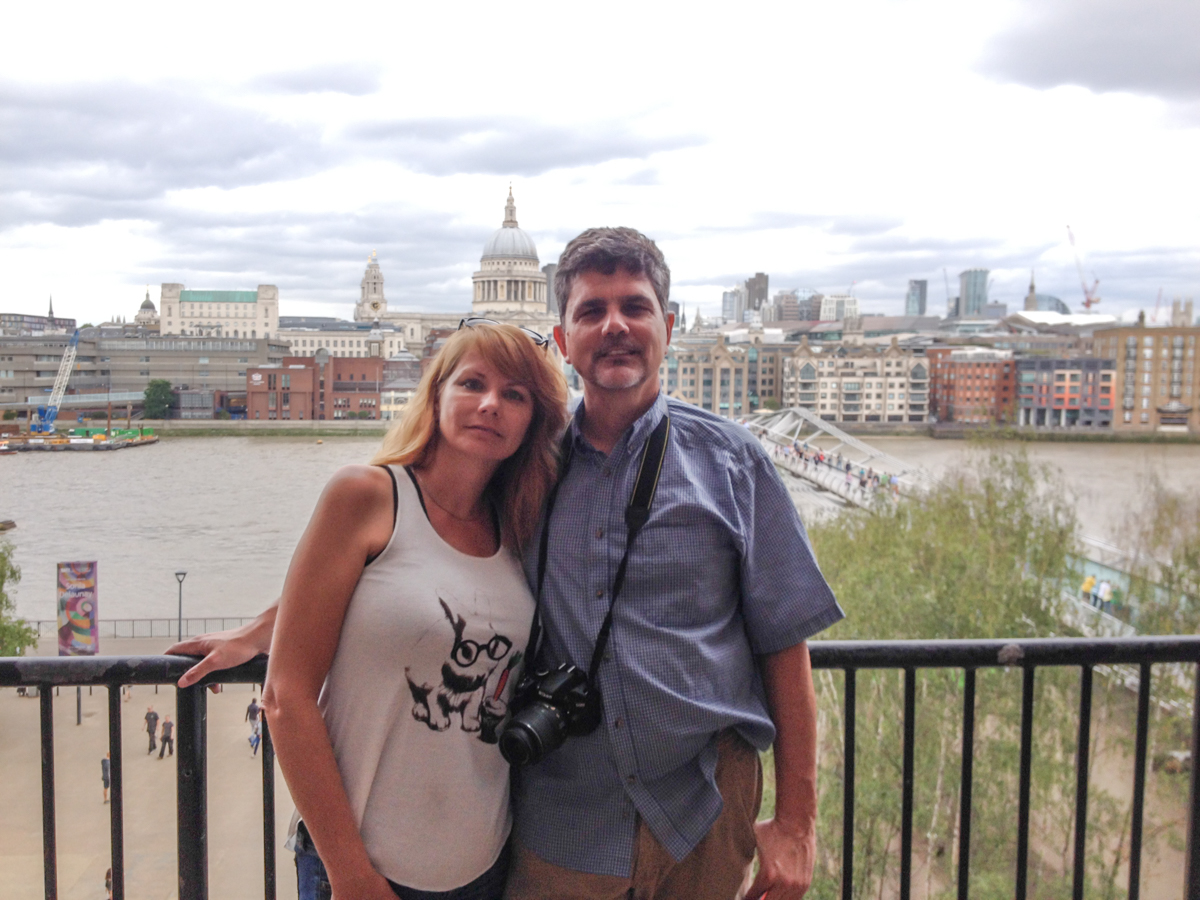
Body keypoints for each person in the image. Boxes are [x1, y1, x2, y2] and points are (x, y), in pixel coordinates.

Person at [169, 229, 841, 900]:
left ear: (666, 325)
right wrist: (268, 630)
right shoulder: (531, 467)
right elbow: (415, 559)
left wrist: (798, 821)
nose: (614, 326)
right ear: (564, 336)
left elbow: (784, 642)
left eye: (634, 308)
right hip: (565, 815)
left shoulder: (733, 461)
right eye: (591, 311)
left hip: (703, 808)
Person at [173, 321, 567, 900]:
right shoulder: (366, 495)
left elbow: (424, 592)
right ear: (436, 394)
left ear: (533, 419)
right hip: (366, 870)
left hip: (484, 863)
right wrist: (351, 874)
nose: (490, 405)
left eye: (515, 395)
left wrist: (265, 625)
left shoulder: (521, 529)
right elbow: (284, 700)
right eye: (472, 384)